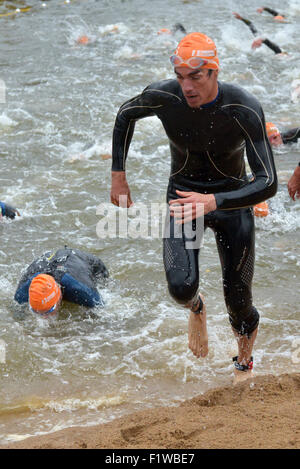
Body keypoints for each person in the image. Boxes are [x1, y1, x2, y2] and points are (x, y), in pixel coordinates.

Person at [110, 32, 277, 383]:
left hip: (232, 202)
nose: (186, 86)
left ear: (214, 72)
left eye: (196, 76)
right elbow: (126, 114)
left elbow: (268, 182)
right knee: (181, 288)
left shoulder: (242, 107)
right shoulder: (164, 96)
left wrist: (215, 201)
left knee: (239, 301)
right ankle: (196, 308)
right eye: (180, 76)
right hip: (184, 199)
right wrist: (118, 175)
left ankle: (243, 363)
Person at [14, 247, 109, 317]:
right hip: (50, 259)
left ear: (58, 297)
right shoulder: (22, 293)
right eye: (36, 311)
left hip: (83, 261)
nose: (44, 317)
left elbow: (104, 312)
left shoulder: (82, 290)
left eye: (49, 311)